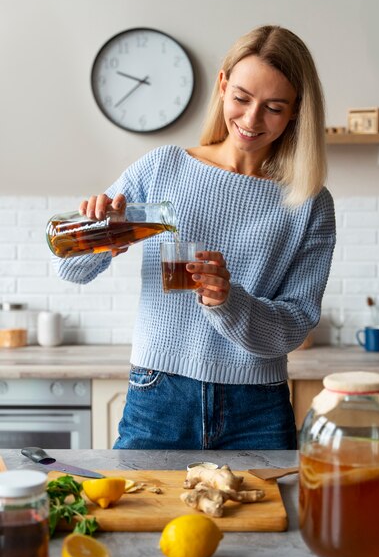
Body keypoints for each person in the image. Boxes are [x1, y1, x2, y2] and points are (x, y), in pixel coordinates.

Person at [54, 25, 336, 450]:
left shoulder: (309, 202)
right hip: (157, 395)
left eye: (274, 107)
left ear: (297, 110)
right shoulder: (163, 167)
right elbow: (70, 267)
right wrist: (97, 234)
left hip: (257, 408)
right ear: (223, 86)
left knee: (269, 519)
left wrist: (229, 300)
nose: (251, 119)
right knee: (143, 516)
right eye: (241, 98)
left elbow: (295, 324)